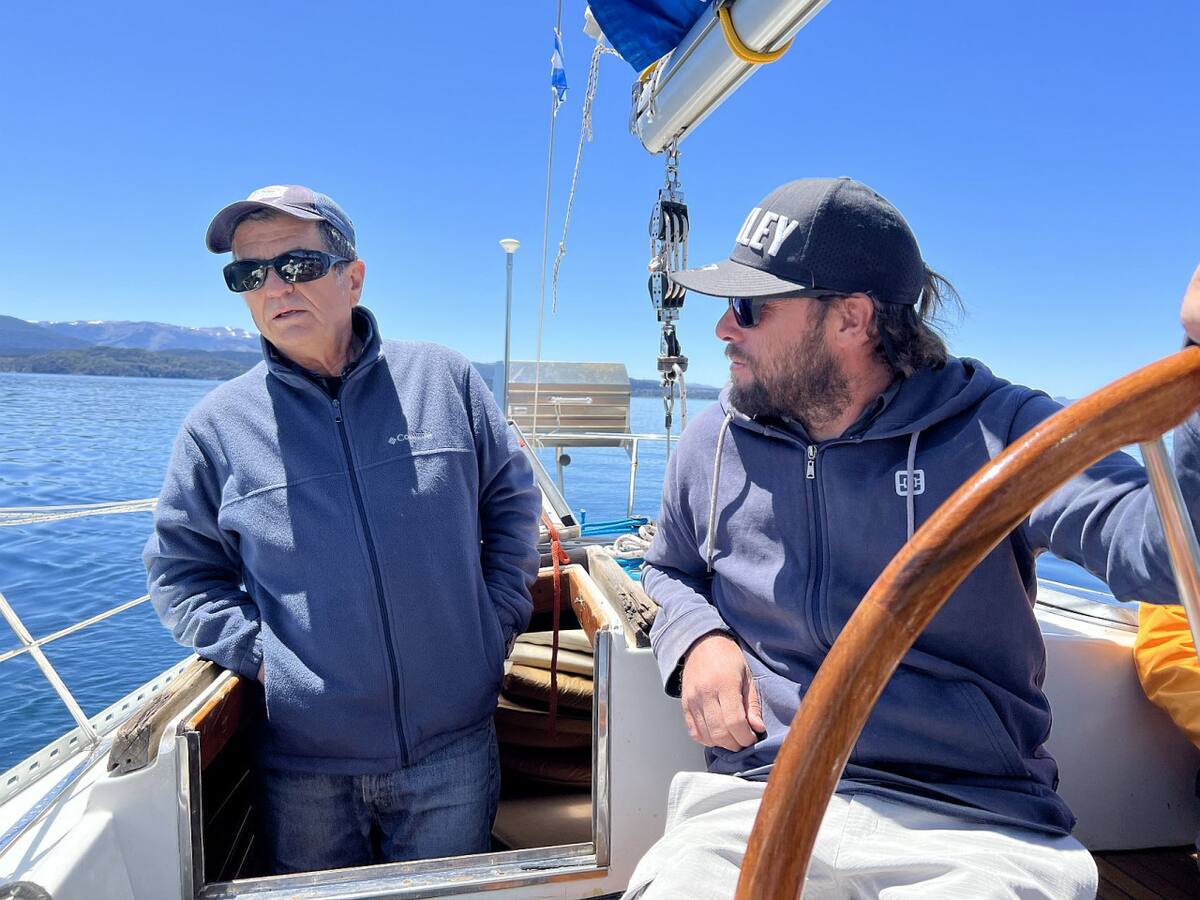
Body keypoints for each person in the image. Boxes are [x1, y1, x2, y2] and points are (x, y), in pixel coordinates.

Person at [624, 177, 1200, 898]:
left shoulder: (1002, 431)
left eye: (751, 307)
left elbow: (1164, 553)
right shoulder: (714, 441)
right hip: (759, 801)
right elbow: (669, 567)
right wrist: (697, 640)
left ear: (852, 319)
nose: (723, 330)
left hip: (972, 824)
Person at [144, 184, 541, 874]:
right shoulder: (216, 427)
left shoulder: (445, 380)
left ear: (352, 277)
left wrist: (496, 619)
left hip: (454, 745)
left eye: (296, 265)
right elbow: (181, 575)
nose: (273, 287)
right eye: (248, 273)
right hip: (306, 769)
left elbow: (512, 507)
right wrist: (268, 660)